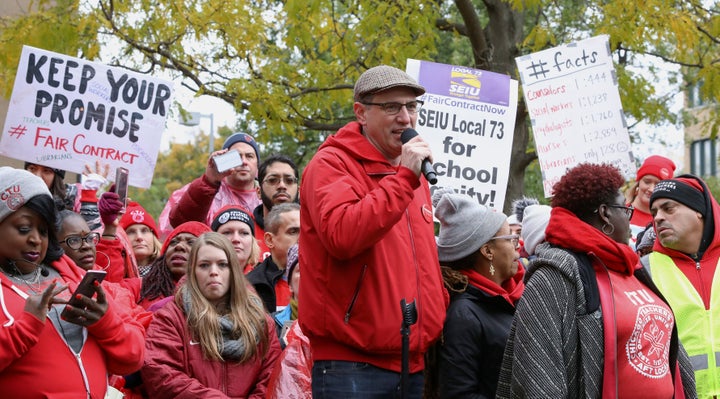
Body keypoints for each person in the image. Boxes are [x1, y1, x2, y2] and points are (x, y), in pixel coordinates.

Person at [299, 65, 448, 398]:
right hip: (350, 366)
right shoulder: (332, 164)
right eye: (392, 107)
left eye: (411, 107)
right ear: (361, 113)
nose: (406, 118)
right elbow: (343, 235)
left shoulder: (414, 175)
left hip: (412, 361)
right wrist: (403, 180)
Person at [496, 163, 695, 398]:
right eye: (625, 209)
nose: (629, 217)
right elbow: (537, 382)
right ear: (605, 213)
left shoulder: (633, 269)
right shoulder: (552, 278)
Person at [0, 167, 145, 397]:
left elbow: (133, 358)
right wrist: (26, 328)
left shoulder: (74, 276)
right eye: (24, 228)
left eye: (44, 230)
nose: (36, 239)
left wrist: (105, 323)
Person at [141, 232, 281, 398]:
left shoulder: (261, 322)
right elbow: (161, 374)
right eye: (204, 265)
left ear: (234, 271)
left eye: (222, 264)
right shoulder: (171, 318)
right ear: (192, 272)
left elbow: (271, 378)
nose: (214, 272)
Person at [428, 189, 525, 398]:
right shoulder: (463, 315)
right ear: (488, 251)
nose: (518, 248)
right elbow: (459, 393)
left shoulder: (507, 300)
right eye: (510, 239)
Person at [647, 175, 720, 397]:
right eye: (654, 212)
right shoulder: (643, 271)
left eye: (669, 208)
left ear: (699, 210)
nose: (658, 218)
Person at [167, 132, 262, 230]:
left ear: (257, 163)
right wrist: (209, 182)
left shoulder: (267, 193)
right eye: (237, 156)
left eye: (249, 156)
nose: (244, 162)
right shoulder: (204, 189)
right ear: (226, 159)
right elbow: (182, 224)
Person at [138, 221, 212, 309]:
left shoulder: (216, 292)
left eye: (191, 243)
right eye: (173, 242)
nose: (179, 246)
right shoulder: (139, 286)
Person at [247, 202, 300, 313]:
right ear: (270, 240)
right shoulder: (251, 286)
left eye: (306, 231)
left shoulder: (324, 279)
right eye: (293, 231)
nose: (302, 238)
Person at [252, 154, 300, 260]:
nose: (282, 185)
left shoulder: (313, 231)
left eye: (289, 180)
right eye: (273, 180)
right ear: (258, 192)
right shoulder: (245, 232)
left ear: (299, 190)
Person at [627, 155, 676, 241]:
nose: (651, 189)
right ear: (638, 183)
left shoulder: (669, 221)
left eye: (658, 184)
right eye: (647, 182)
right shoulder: (619, 212)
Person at [211, 205, 260, 274]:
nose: (236, 239)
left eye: (244, 233)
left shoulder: (266, 280)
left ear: (253, 242)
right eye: (227, 233)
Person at [120, 201, 162, 276]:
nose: (139, 237)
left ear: (154, 237)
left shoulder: (169, 272)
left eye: (144, 231)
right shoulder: (115, 274)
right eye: (131, 232)